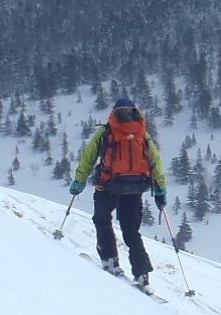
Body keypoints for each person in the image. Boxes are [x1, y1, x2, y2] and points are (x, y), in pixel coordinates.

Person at [70, 97, 168, 287]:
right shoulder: (143, 134)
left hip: (107, 185)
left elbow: (88, 158)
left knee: (102, 220)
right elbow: (155, 163)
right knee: (131, 231)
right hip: (134, 187)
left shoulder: (106, 131)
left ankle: (110, 259)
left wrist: (79, 181)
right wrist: (161, 190)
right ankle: (142, 274)